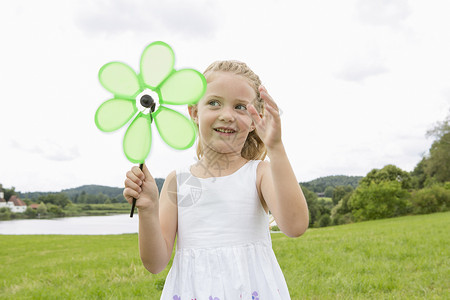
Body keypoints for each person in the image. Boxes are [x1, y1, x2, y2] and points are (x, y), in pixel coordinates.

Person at [123, 60, 309, 299]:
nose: (227, 115)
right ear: (194, 112)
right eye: (214, 103)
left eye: (240, 107)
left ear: (256, 120)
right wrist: (148, 209)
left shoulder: (259, 173)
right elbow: (155, 263)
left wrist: (276, 147)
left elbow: (295, 226)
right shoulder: (178, 181)